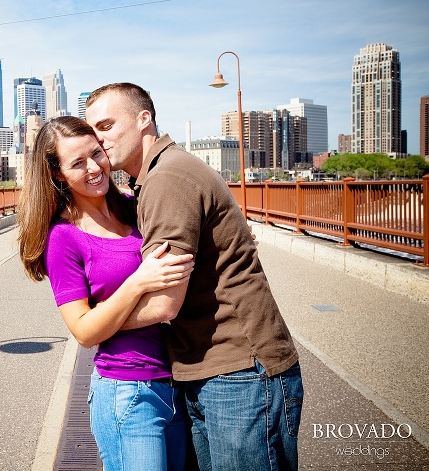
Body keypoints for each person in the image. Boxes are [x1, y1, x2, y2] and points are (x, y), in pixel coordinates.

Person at [85, 83, 304, 471]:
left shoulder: (168, 178)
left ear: (144, 119)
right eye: (93, 131)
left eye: (106, 125)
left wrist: (96, 323)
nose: (99, 141)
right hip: (213, 370)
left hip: (239, 372)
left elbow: (165, 303)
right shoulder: (157, 176)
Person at [17, 115, 195, 471]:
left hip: (182, 383)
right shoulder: (63, 238)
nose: (94, 168)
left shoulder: (135, 206)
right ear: (57, 174)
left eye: (96, 154)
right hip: (129, 392)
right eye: (77, 163)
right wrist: (139, 282)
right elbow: (83, 331)